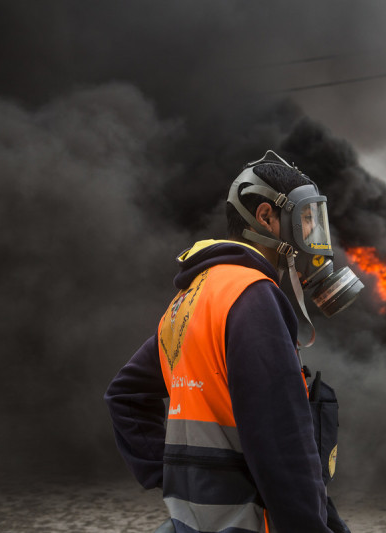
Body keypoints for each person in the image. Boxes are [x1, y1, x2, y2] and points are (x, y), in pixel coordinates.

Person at [104, 151, 359, 533]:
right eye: (306, 220)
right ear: (267, 218)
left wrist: (184, 476)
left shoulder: (194, 296)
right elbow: (282, 446)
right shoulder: (253, 296)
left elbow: (124, 396)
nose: (312, 236)